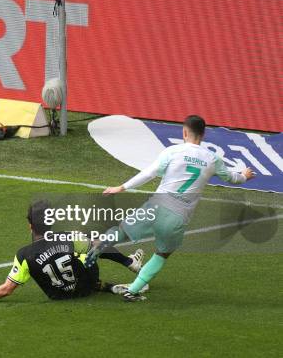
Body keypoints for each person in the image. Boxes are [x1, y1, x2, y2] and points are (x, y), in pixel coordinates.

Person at [86, 115, 256, 302]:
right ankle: (132, 291)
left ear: (184, 132)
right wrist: (245, 175)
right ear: (204, 134)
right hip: (178, 217)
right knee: (162, 253)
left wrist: (122, 187)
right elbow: (233, 178)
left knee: (121, 231)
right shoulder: (212, 159)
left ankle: (101, 245)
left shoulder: (172, 151)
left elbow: (149, 173)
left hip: (156, 206)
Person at [0, 201, 145, 304]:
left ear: (29, 225)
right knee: (92, 245)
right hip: (84, 287)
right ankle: (128, 264)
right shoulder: (69, 237)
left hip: (58, 295)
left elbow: (6, 289)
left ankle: (106, 285)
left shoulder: (24, 254)